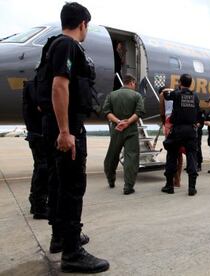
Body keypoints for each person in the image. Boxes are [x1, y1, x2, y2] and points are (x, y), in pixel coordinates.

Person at [39, 2, 109, 272]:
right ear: (83, 24)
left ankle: (61, 237)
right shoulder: (68, 46)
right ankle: (72, 253)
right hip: (66, 128)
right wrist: (66, 132)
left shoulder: (53, 46)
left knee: (58, 183)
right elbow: (59, 86)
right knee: (71, 187)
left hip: (54, 125)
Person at [103, 74, 145, 195]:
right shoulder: (137, 96)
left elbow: (107, 112)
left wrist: (118, 122)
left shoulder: (112, 95)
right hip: (131, 130)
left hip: (117, 129)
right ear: (132, 82)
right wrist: (127, 122)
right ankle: (128, 187)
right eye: (134, 84)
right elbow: (139, 112)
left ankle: (111, 180)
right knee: (131, 157)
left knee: (112, 155)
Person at [160, 74, 200, 196]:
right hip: (191, 130)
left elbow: (165, 95)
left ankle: (169, 186)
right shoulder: (195, 96)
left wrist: (169, 89)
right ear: (190, 83)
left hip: (177, 129)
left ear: (180, 83)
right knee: (192, 158)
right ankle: (192, 188)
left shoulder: (176, 94)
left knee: (172, 156)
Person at [22, 81, 48, 220]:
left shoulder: (31, 86)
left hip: (36, 134)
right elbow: (42, 107)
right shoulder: (35, 86)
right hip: (39, 135)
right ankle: (40, 207)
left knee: (39, 168)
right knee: (43, 169)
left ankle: (36, 201)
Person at [159, 86, 184, 187]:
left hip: (169, 121)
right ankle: (178, 179)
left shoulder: (162, 94)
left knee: (171, 152)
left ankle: (175, 179)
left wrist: (163, 123)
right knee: (179, 152)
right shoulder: (177, 92)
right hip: (180, 121)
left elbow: (162, 111)